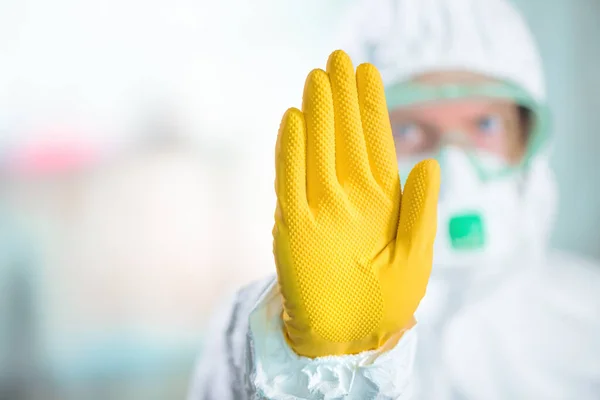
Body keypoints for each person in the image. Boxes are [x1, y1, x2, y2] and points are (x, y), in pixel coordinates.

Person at [188, 0, 600, 398]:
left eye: (486, 123)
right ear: (348, 142)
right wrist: (313, 363)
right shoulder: (262, 328)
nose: (452, 170)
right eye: (406, 131)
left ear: (526, 138)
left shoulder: (589, 319)